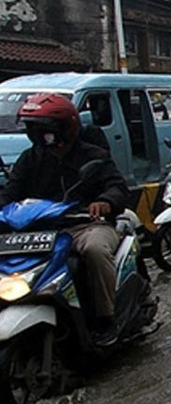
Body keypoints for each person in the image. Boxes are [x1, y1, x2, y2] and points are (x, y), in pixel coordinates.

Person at [0, 93, 130, 346]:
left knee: (94, 251)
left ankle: (105, 318)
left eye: (44, 129)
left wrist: (105, 201)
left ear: (64, 128)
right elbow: (10, 192)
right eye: (34, 129)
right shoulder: (30, 158)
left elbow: (117, 187)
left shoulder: (93, 155)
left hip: (84, 225)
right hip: (37, 231)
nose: (39, 135)